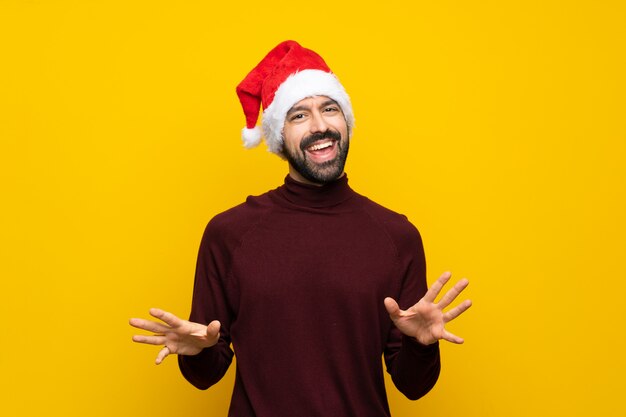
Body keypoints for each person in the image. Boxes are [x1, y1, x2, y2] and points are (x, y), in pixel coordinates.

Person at [130, 40, 472, 417]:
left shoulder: (397, 237)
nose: (320, 126)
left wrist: (422, 346)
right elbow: (206, 375)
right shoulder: (229, 234)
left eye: (330, 109)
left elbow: (413, 386)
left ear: (346, 122)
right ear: (279, 136)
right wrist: (198, 352)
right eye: (299, 115)